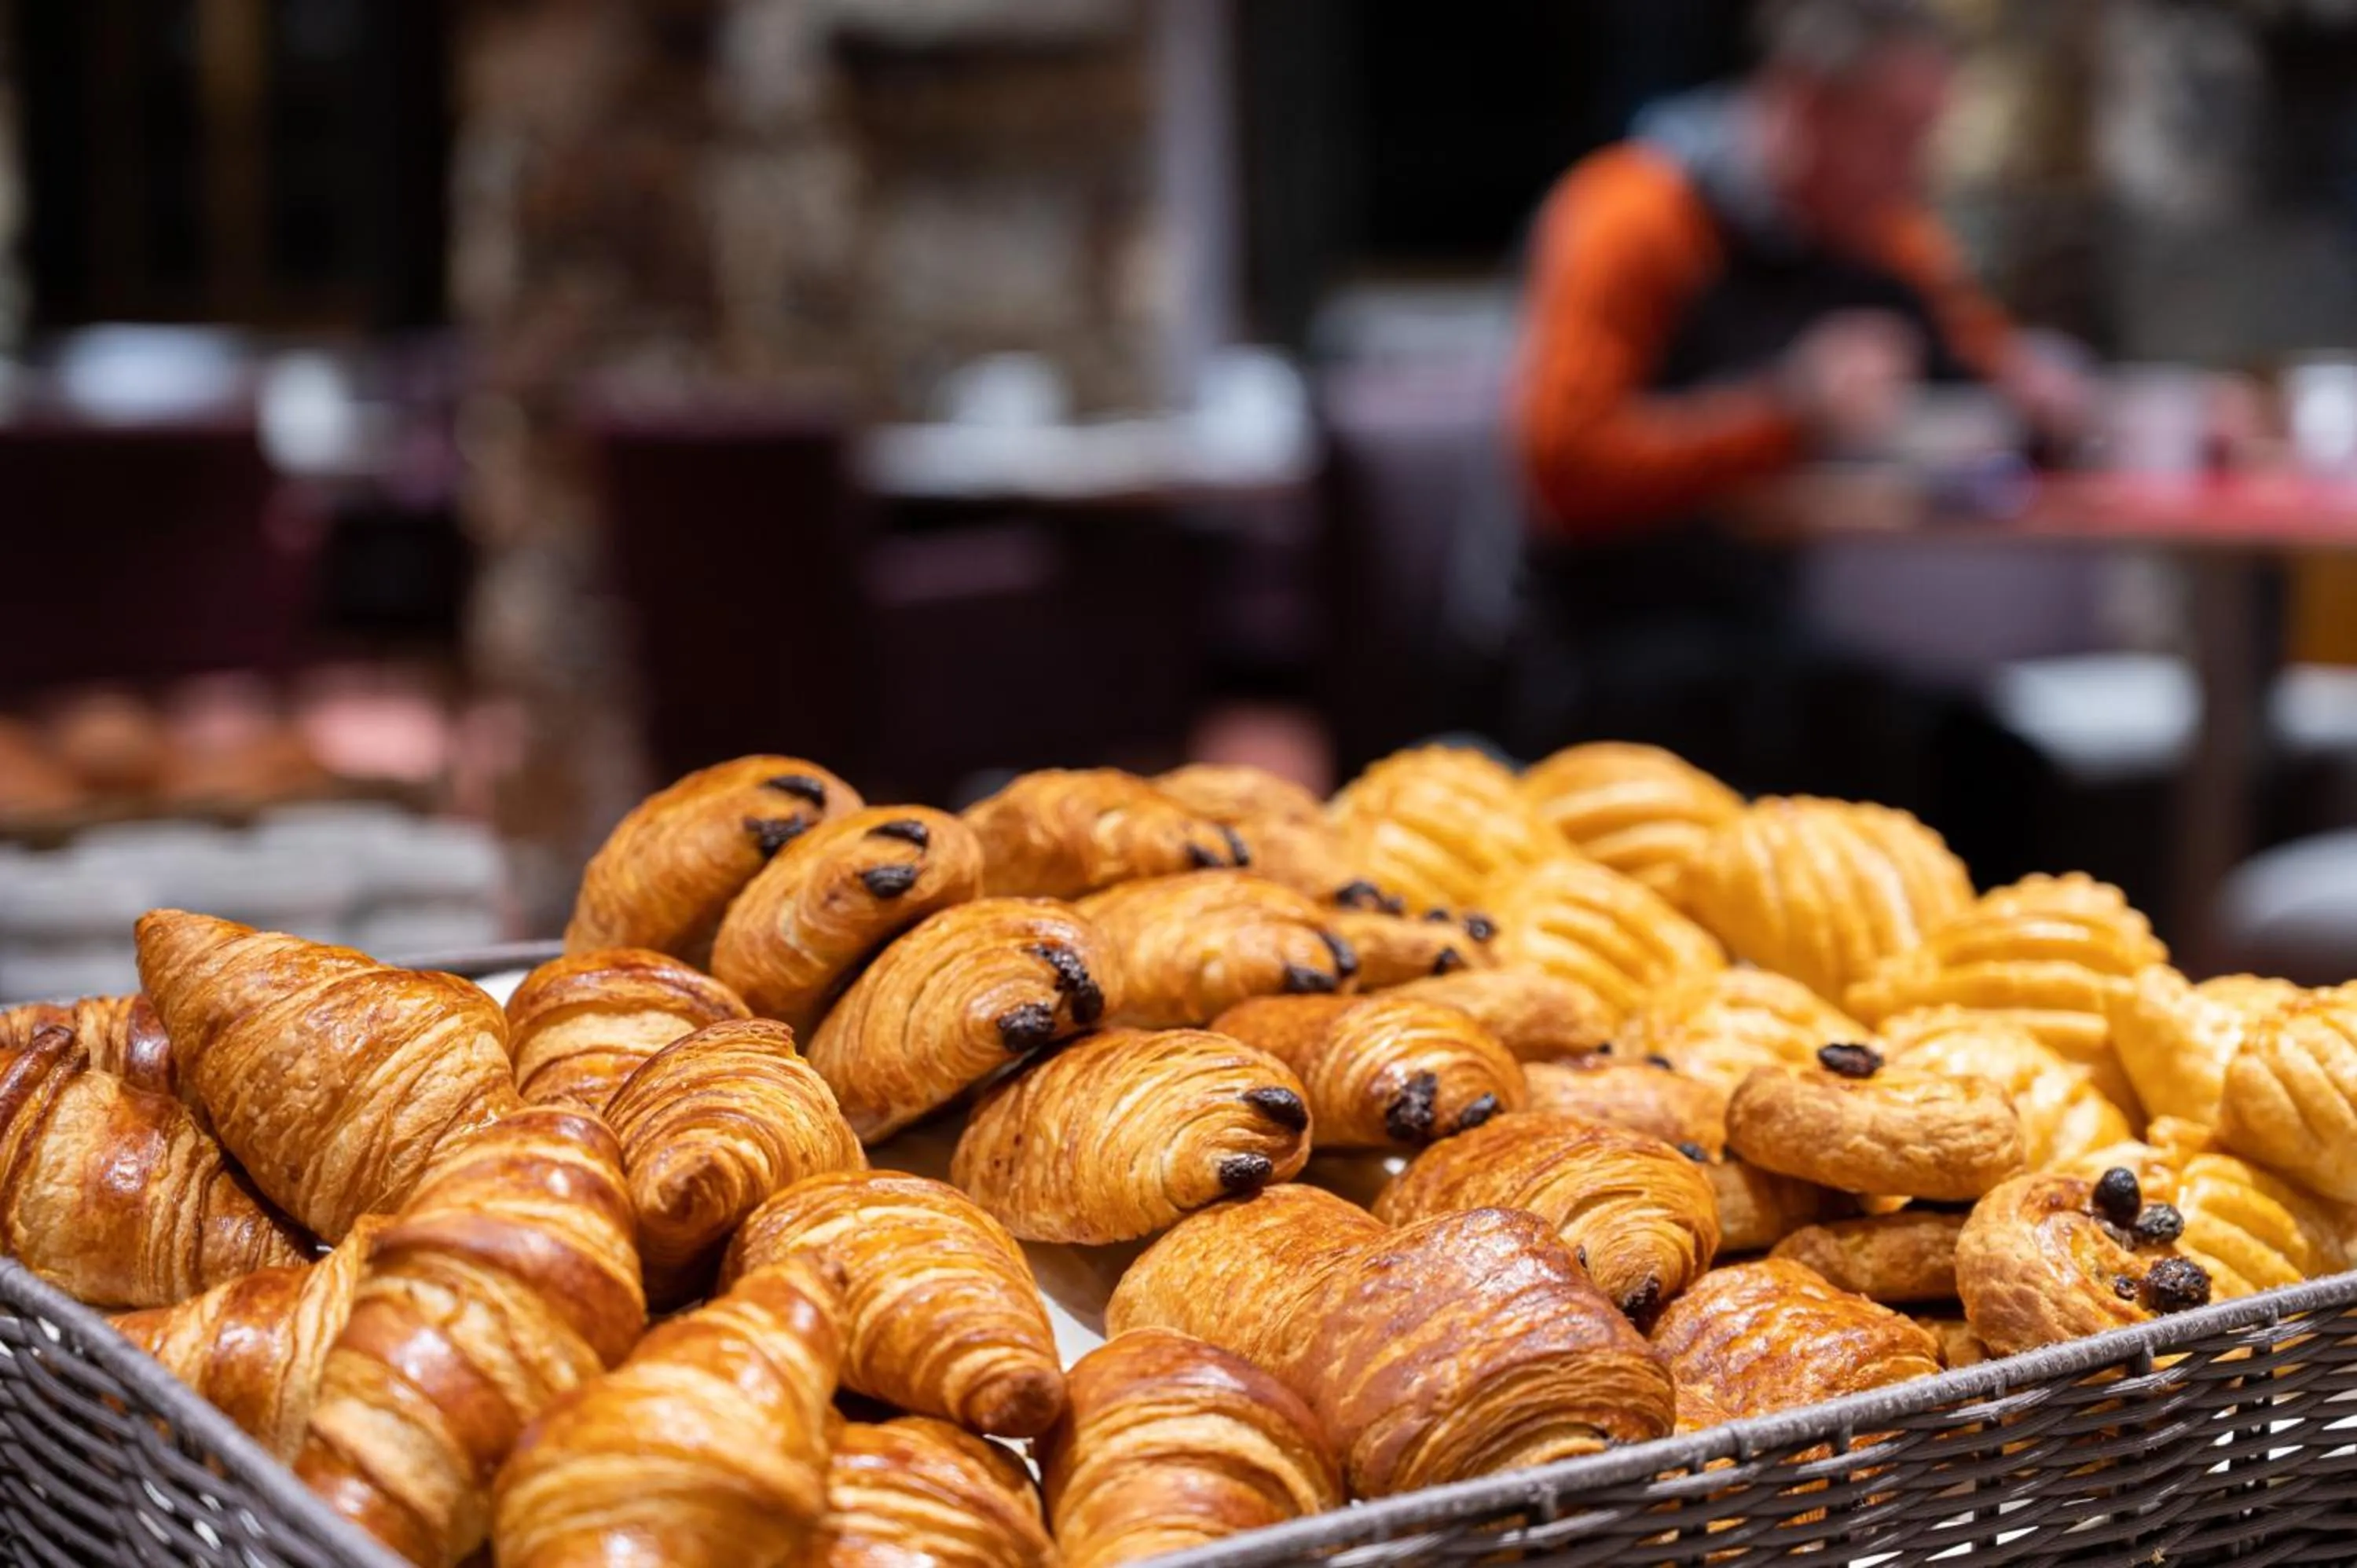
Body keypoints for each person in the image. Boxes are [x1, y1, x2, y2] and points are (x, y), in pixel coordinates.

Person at [1504, 0, 2076, 848]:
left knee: (1994, 759)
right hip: (1599, 650)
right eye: (1895, 136)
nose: (1914, 172)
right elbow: (1562, 472)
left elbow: (1992, 362)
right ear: (1806, 104)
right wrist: (1785, 412)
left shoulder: (1879, 232)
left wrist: (2055, 400)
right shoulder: (1635, 212)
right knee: (1907, 766)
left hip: (1758, 637)